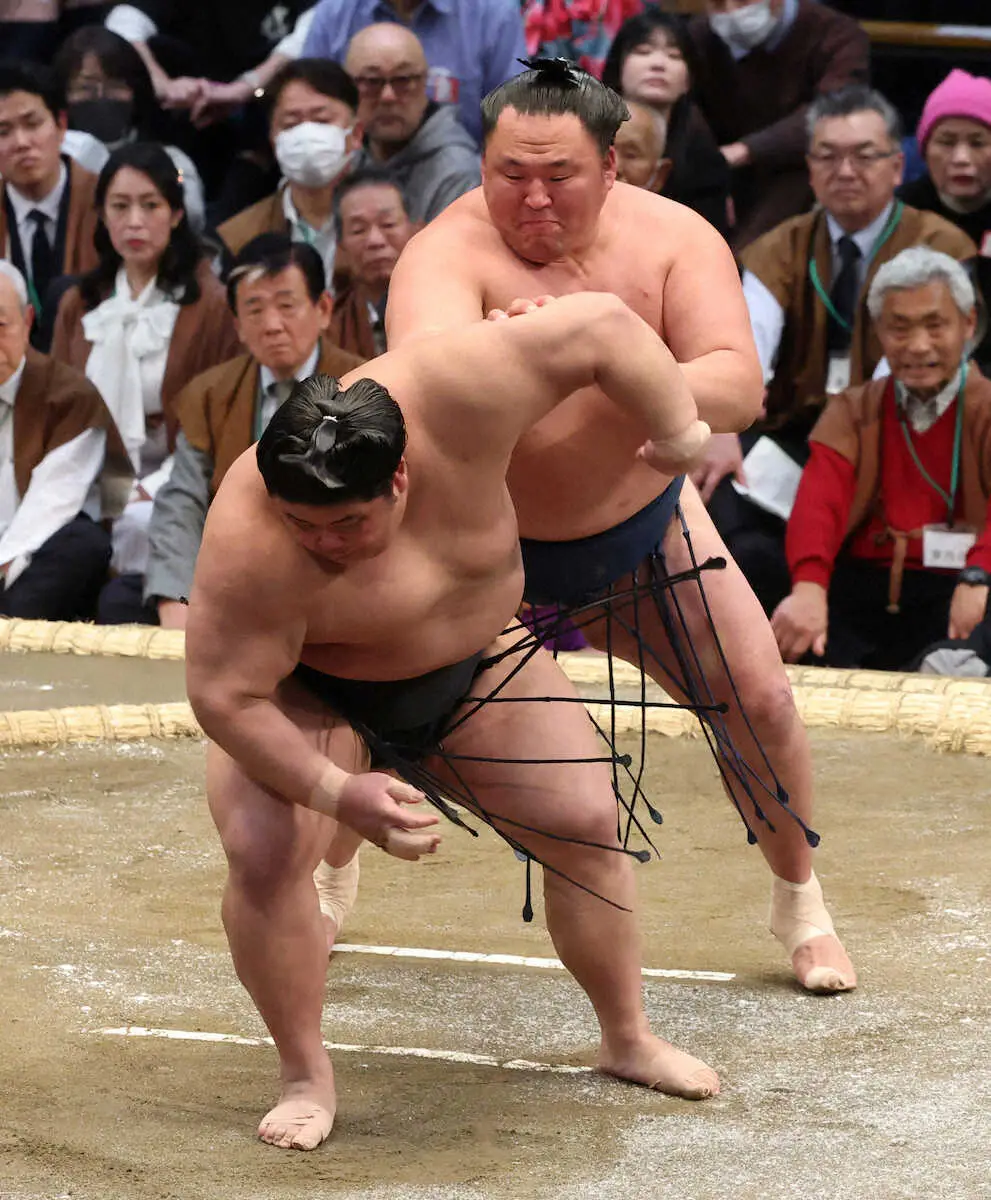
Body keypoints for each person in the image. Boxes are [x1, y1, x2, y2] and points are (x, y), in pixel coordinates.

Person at [186, 288, 712, 1151]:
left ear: (399, 475)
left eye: (348, 522)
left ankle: (626, 1036)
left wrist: (680, 428)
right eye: (302, 524)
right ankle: (303, 1073)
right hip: (309, 686)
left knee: (586, 821)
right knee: (266, 849)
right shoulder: (248, 541)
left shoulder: (463, 387)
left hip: (472, 662)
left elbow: (603, 326)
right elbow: (223, 696)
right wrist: (334, 790)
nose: (324, 543)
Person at [387, 58, 856, 996]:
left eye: (557, 175)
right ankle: (331, 867)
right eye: (507, 172)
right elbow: (427, 385)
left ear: (614, 166)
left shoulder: (675, 239)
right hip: (484, 548)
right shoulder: (442, 250)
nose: (530, 198)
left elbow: (735, 385)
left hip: (643, 522)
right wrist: (522, 354)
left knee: (758, 697)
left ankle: (799, 900)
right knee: (365, 712)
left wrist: (603, 357)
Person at [706, 86, 977, 616]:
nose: (845, 171)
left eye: (864, 155)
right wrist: (721, 425)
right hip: (791, 439)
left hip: (895, 440)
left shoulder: (942, 245)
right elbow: (744, 346)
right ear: (809, 169)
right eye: (828, 156)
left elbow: (908, 369)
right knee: (723, 510)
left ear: (898, 166)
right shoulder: (778, 245)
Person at [772, 247, 991, 670]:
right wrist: (809, 586)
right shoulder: (853, 410)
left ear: (968, 325)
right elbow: (820, 500)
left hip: (963, 583)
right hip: (867, 585)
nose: (918, 345)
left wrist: (979, 574)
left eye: (935, 325)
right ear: (878, 333)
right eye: (899, 328)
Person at [50, 142, 239, 625]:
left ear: (176, 213)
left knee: (140, 523)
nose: (134, 221)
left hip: (175, 476)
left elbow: (218, 418)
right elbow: (60, 406)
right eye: (119, 206)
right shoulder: (80, 302)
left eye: (150, 205)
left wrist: (147, 487)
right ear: (101, 215)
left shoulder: (210, 304)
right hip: (88, 472)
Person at [145, 235, 363, 630]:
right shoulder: (209, 394)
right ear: (238, 326)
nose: (272, 325)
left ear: (324, 308)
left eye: (287, 305)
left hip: (329, 574)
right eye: (255, 309)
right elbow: (182, 501)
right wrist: (177, 597)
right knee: (123, 600)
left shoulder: (365, 385)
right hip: (232, 572)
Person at [686, 0, 870, 249]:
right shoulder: (698, 36)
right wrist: (712, 164)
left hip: (800, 170)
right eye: (718, 3)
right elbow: (685, 106)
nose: (731, 12)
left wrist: (746, 150)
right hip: (720, 171)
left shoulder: (837, 33)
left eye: (743, 0)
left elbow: (834, 111)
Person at [0, 262, 127, 621]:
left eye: (0, 326)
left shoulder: (69, 395)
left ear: (27, 322)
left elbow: (51, 504)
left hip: (31, 551)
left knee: (83, 544)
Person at [302, 0, 527, 147]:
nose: (389, 96)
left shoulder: (492, 14)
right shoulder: (334, 15)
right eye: (371, 81)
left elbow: (514, 124)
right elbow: (307, 111)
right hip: (354, 182)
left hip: (464, 184)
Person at [217, 59, 361, 286]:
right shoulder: (242, 236)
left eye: (322, 120)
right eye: (291, 124)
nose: (307, 134)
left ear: (356, 134)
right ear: (274, 140)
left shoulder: (389, 226)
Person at [51, 25, 206, 232]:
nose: (101, 96)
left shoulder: (172, 161)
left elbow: (191, 210)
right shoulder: (48, 160)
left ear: (136, 91)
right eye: (85, 88)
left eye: (115, 85)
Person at [602, 7, 731, 237]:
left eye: (674, 56)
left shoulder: (704, 160)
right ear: (618, 67)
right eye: (643, 51)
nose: (658, 64)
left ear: (688, 81)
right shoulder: (585, 133)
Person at [0, 62, 100, 352]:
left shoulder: (107, 202)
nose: (21, 143)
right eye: (3, 131)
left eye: (33, 124)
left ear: (61, 125)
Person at [898, 70, 991, 373]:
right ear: (924, 150)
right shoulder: (900, 212)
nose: (961, 157)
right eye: (947, 142)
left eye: (978, 143)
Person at [345, 24, 481, 226]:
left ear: (426, 82)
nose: (388, 96)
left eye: (403, 80)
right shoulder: (343, 157)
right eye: (371, 81)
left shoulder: (457, 172)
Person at [330, 168, 413, 358]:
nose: (375, 241)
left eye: (388, 224)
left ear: (415, 229)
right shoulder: (330, 329)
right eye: (359, 230)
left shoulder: (452, 306)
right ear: (340, 246)